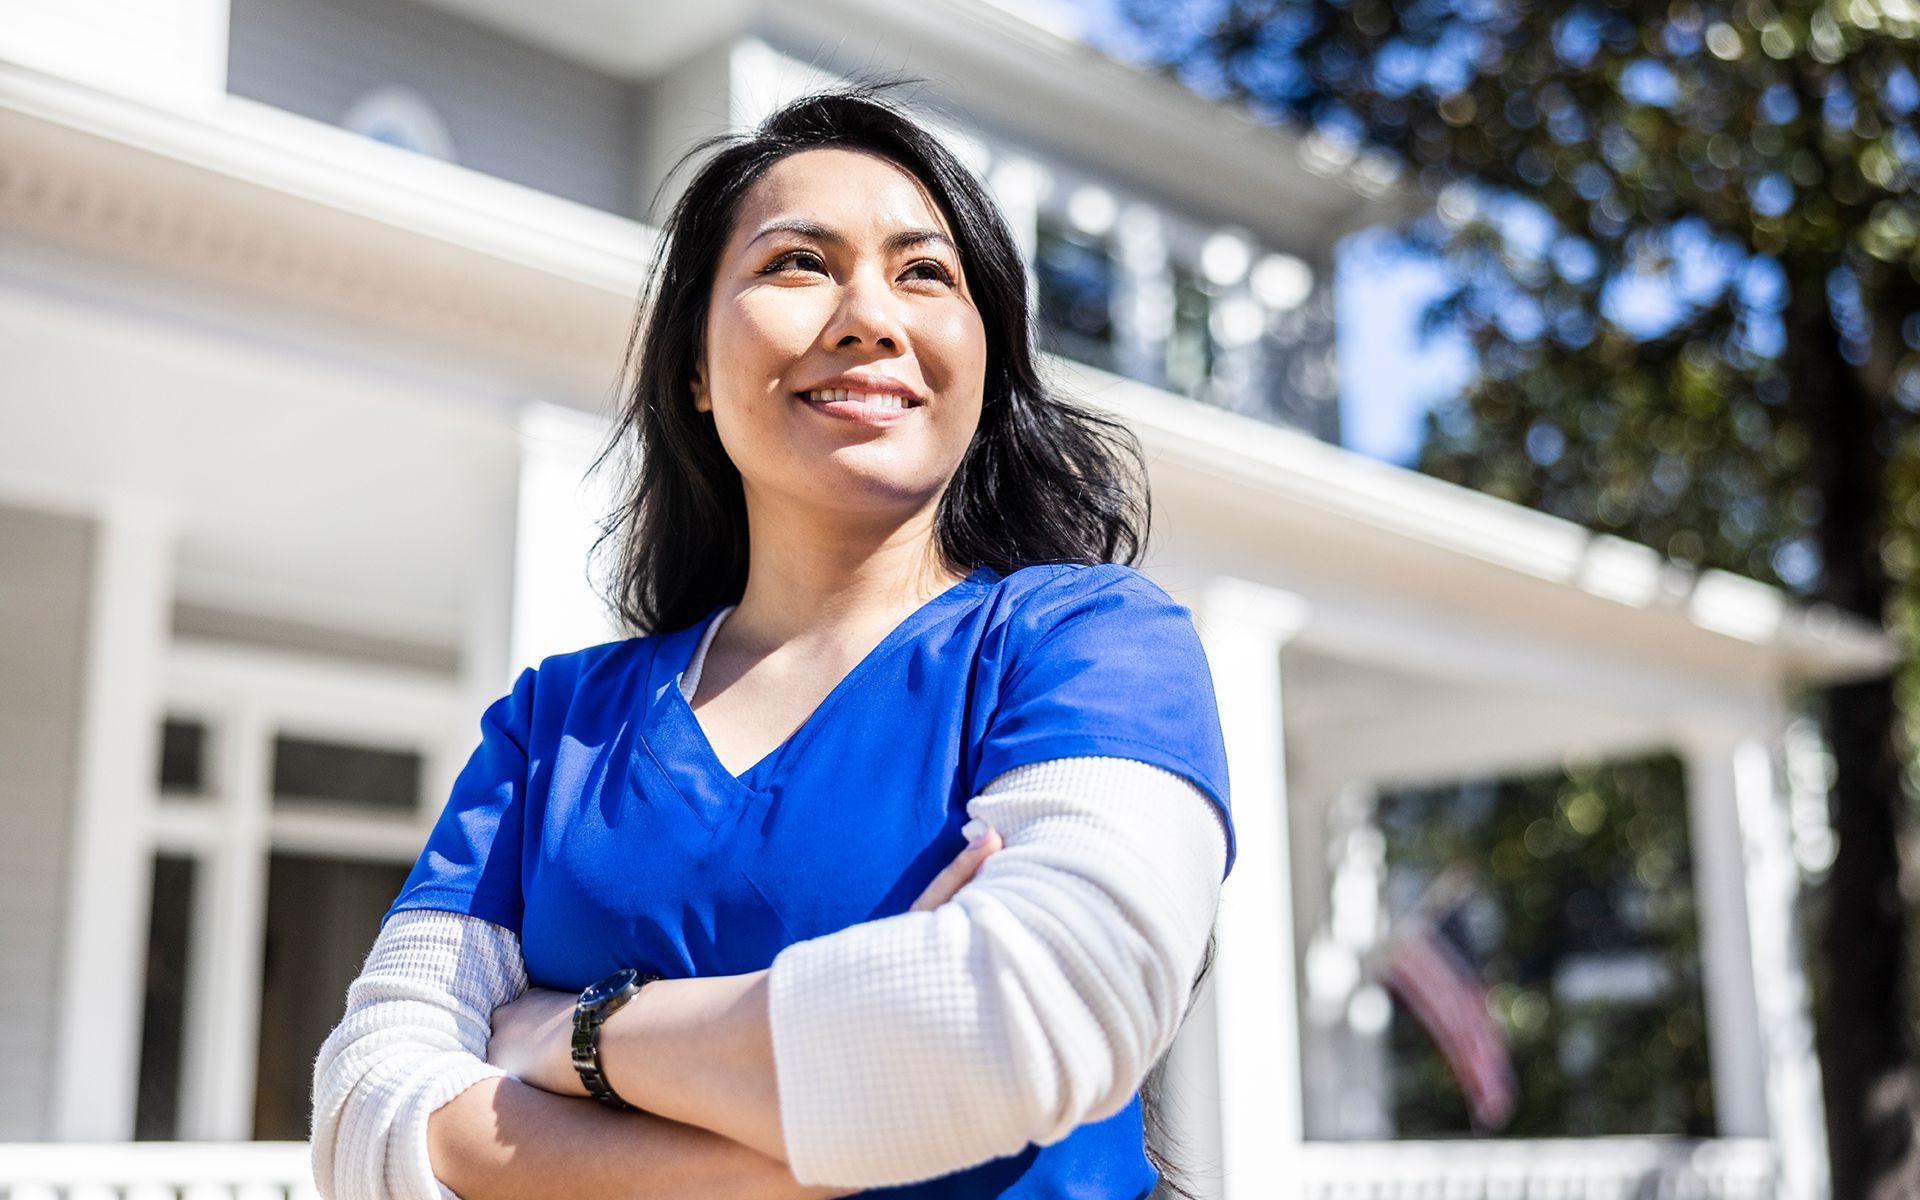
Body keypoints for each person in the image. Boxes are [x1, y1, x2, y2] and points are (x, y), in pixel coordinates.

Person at [310, 83, 1236, 1200]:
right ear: (695, 368)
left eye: (924, 273)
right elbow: (364, 1110)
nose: (868, 317)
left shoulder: (1089, 647)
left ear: (987, 364)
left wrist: (569, 1039)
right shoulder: (554, 727)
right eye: (797, 264)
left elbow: (1035, 1014)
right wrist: (813, 1143)